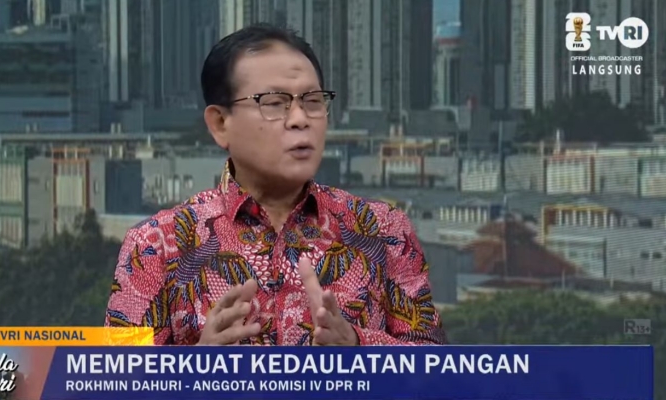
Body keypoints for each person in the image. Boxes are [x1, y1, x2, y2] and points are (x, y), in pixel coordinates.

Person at [104, 23, 446, 346]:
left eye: (313, 102)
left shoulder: (384, 231)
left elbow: (440, 371)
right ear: (220, 123)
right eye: (274, 103)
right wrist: (199, 365)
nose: (300, 119)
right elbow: (114, 378)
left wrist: (358, 347)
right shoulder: (155, 246)